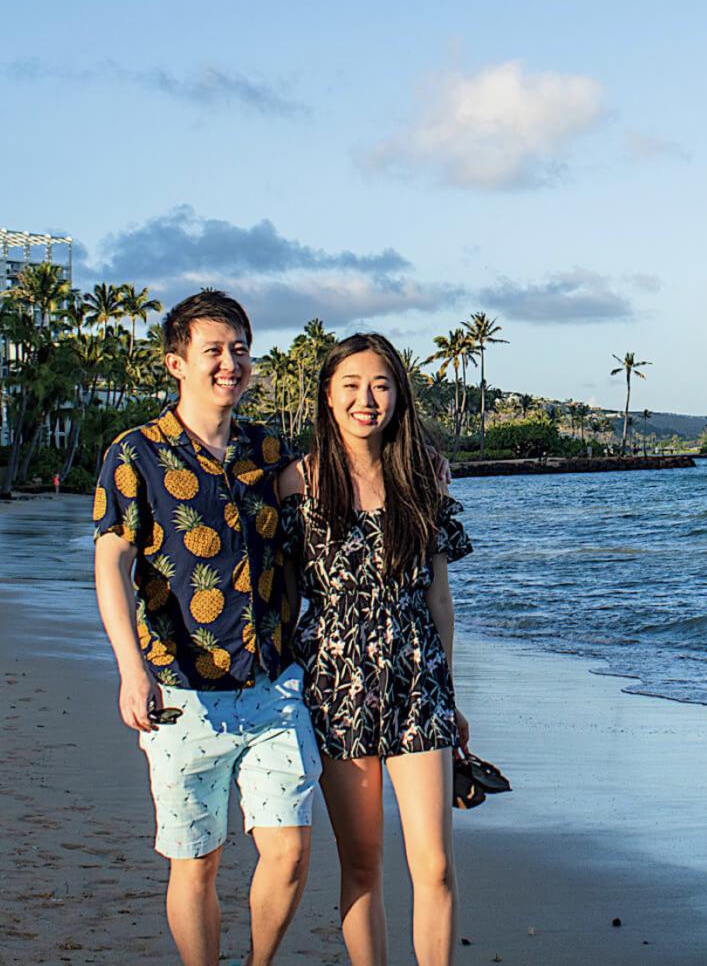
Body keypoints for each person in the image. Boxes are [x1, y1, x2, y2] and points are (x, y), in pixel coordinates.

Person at [92, 289, 315, 966]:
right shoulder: (137, 454)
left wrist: (422, 474)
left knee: (290, 848)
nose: (230, 363)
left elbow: (349, 484)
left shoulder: (271, 451)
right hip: (180, 693)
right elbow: (112, 563)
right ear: (176, 363)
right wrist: (131, 671)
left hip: (274, 685)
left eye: (240, 349)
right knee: (198, 861)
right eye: (214, 350)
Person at [277, 331, 471, 966]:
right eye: (352, 386)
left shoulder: (424, 477)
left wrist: (451, 694)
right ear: (328, 397)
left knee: (435, 866)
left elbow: (439, 600)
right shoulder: (298, 483)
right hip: (335, 683)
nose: (367, 399)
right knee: (363, 866)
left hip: (418, 679)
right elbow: (282, 601)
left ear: (399, 397)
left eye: (381, 385)